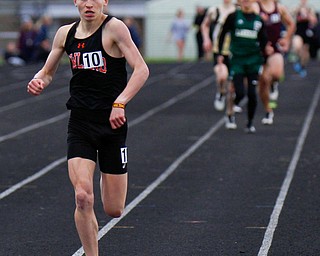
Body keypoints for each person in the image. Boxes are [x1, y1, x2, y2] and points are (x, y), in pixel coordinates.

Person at [27, 0, 149, 255]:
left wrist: (120, 102)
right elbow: (47, 72)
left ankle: (105, 181)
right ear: (75, 1)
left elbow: (141, 70)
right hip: (80, 123)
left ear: (105, 1)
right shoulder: (65, 33)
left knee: (114, 209)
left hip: (111, 125)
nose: (89, 4)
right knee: (83, 196)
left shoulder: (114, 28)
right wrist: (39, 81)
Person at [218, 0, 273, 133]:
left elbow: (263, 39)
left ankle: (250, 122)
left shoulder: (259, 20)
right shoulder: (233, 17)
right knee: (239, 91)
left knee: (252, 93)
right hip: (237, 61)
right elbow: (223, 33)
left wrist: (266, 53)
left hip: (253, 61)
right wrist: (221, 53)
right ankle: (230, 112)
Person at [257, 0, 295, 125]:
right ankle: (268, 110)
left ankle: (274, 84)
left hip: (275, 47)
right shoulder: (255, 7)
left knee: (277, 73)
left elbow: (291, 24)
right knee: (263, 81)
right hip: (258, 48)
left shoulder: (279, 8)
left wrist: (286, 39)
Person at [201, 0, 236, 112]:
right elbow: (205, 25)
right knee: (222, 77)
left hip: (235, 52)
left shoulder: (238, 10)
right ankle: (221, 92)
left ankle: (230, 114)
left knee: (233, 87)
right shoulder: (214, 11)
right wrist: (206, 39)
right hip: (219, 51)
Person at [291, 0, 317, 77]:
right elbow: (290, 16)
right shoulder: (296, 7)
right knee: (297, 46)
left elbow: (314, 21)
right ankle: (297, 60)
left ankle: (302, 66)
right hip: (299, 31)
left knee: (305, 52)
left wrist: (308, 15)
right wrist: (298, 10)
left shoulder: (310, 8)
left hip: (307, 32)